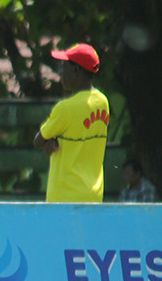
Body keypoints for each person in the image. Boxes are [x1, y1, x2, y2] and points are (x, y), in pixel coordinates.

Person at [33, 43, 109, 203]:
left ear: (77, 70)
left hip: (64, 197)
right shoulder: (102, 102)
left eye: (64, 66)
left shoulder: (65, 108)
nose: (60, 72)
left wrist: (50, 140)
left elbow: (38, 141)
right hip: (94, 195)